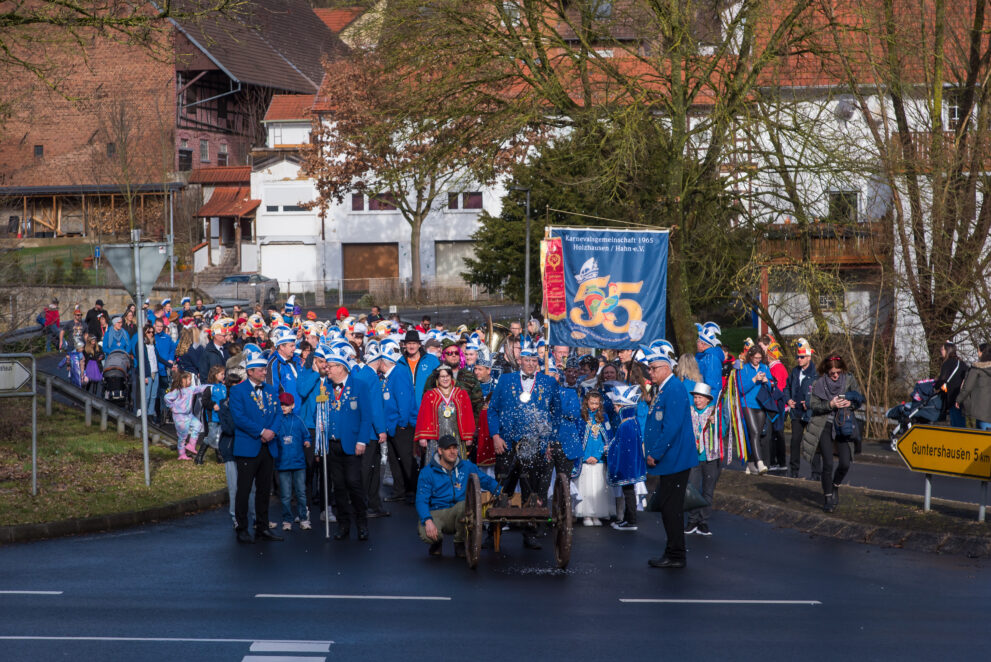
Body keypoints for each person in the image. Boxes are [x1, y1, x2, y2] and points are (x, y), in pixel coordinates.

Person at [487, 336, 561, 550]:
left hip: (535, 445)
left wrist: (549, 440)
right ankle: (493, 533)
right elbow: (492, 410)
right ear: (520, 360)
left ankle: (530, 533)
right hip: (507, 443)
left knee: (532, 490)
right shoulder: (505, 380)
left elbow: (556, 413)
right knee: (503, 488)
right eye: (527, 360)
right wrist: (495, 436)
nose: (531, 364)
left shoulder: (549, 382)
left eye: (534, 361)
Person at [642, 346, 698, 569]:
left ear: (666, 368)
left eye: (654, 368)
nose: (650, 373)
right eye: (649, 368)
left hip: (675, 458)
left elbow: (672, 426)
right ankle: (673, 551)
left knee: (670, 507)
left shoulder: (673, 388)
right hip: (671, 458)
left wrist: (655, 452)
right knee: (668, 505)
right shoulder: (665, 388)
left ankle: (676, 554)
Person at [317, 345, 374, 541]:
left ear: (341, 367)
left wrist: (362, 440)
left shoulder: (360, 385)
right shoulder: (325, 388)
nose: (327, 369)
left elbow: (366, 417)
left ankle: (362, 522)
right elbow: (322, 413)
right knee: (338, 487)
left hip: (352, 443)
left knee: (353, 483)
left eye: (330, 366)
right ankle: (343, 524)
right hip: (332, 443)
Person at [416, 434, 501, 557]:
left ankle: (459, 543)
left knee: (464, 505)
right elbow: (421, 500)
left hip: (459, 511)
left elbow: (486, 481)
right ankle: (437, 542)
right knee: (428, 535)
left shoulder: (466, 466)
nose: (452, 452)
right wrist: (427, 521)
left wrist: (501, 493)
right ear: (440, 451)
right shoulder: (427, 472)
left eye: (455, 448)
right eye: (448, 448)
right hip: (437, 512)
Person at [229, 352, 283, 543]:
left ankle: (263, 526)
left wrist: (272, 432)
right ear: (250, 372)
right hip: (249, 445)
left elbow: (278, 414)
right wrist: (261, 431)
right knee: (244, 490)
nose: (264, 372)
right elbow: (239, 418)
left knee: (263, 489)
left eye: (264, 369)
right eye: (260, 370)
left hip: (268, 446)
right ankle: (242, 527)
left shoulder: (270, 390)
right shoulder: (238, 391)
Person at [801, 355, 863, 513]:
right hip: (824, 425)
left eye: (838, 371)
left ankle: (835, 486)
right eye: (832, 372)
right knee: (827, 463)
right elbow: (813, 405)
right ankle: (828, 497)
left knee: (844, 463)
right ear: (826, 371)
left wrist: (851, 403)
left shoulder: (848, 380)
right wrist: (830, 404)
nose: (835, 375)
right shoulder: (819, 383)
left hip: (843, 424)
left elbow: (859, 397)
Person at [377, 339, 417, 504]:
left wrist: (402, 423)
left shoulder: (398, 373)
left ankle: (414, 490)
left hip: (402, 426)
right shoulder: (387, 376)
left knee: (406, 459)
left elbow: (404, 401)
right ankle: (399, 490)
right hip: (392, 426)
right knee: (395, 460)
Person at [606, 384, 647, 532]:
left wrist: (610, 448)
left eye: (617, 407)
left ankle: (632, 521)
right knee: (628, 491)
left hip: (627, 465)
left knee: (629, 492)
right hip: (631, 463)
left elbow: (622, 446)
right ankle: (627, 519)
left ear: (623, 406)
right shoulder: (632, 421)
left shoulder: (626, 425)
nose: (615, 410)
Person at [684, 383, 723, 536]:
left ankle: (703, 521)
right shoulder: (690, 411)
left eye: (700, 397)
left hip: (711, 456)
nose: (697, 400)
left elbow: (724, 431)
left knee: (708, 490)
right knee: (693, 488)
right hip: (694, 456)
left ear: (708, 399)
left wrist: (716, 424)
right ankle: (692, 520)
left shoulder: (714, 412)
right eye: (695, 397)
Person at [415, 365, 475, 461]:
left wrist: (469, 436)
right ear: (437, 379)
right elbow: (424, 417)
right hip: (436, 439)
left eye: (447, 376)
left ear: (451, 377)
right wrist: (423, 437)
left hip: (456, 436)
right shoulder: (429, 395)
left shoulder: (461, 394)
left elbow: (468, 416)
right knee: (436, 464)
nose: (445, 379)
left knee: (457, 464)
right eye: (442, 377)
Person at [573, 390, 614, 526]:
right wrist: (584, 456)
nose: (594, 406)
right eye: (592, 403)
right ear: (586, 402)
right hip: (584, 460)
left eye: (597, 403)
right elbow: (577, 439)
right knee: (585, 488)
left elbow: (607, 439)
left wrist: (597, 456)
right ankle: (586, 514)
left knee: (598, 488)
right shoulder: (580, 418)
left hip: (598, 459)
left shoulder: (604, 417)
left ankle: (596, 513)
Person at [275, 393, 312, 531]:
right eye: (281, 404)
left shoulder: (298, 420)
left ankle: (303, 518)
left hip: (298, 462)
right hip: (283, 462)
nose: (284, 407)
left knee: (301, 492)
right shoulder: (277, 421)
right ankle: (287, 519)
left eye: (286, 405)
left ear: (293, 405)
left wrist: (307, 441)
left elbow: (306, 434)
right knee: (285, 494)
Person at [785, 338, 818, 478]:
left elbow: (820, 394)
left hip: (810, 413)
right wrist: (788, 399)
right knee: (795, 441)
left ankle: (816, 473)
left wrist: (809, 402)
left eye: (802, 357)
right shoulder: (794, 372)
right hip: (796, 413)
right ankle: (793, 472)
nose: (799, 359)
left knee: (813, 443)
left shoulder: (815, 374)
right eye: (798, 357)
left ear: (809, 357)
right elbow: (786, 387)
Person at [738, 344, 771, 475]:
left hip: (761, 403)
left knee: (757, 434)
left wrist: (766, 380)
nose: (758, 360)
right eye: (756, 358)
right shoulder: (744, 369)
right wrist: (754, 379)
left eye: (759, 358)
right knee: (755, 432)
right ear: (750, 357)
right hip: (748, 404)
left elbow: (771, 385)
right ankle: (760, 462)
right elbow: (741, 389)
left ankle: (751, 462)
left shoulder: (765, 367)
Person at [164, 371, 210, 460]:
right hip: (179, 416)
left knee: (198, 425)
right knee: (182, 436)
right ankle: (182, 454)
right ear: (183, 380)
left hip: (189, 415)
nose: (190, 381)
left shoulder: (191, 389)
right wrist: (172, 407)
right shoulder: (177, 391)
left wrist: (212, 386)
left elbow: (200, 388)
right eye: (189, 379)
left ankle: (191, 445)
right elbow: (167, 398)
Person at [398, 329, 441, 420]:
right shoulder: (399, 363)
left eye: (414, 343)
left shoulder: (432, 360)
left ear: (419, 344)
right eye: (409, 343)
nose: (412, 346)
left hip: (429, 409)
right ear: (405, 345)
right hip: (407, 413)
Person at [934, 341, 968, 428]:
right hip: (962, 397)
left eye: (942, 349)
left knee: (956, 424)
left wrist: (936, 385)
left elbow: (942, 380)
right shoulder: (962, 363)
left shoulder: (947, 363)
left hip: (952, 396)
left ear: (947, 350)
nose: (941, 351)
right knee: (961, 422)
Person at [957, 345, 991, 430]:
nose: (977, 353)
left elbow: (967, 387)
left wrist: (959, 399)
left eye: (978, 351)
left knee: (982, 438)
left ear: (982, 353)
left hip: (981, 410)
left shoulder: (976, 369)